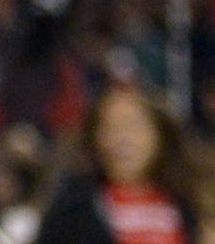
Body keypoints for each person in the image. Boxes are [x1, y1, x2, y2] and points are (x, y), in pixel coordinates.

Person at [36, 84, 202, 244]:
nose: (123, 139)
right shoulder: (71, 211)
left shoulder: (191, 204)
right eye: (111, 127)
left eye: (133, 126)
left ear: (160, 135)